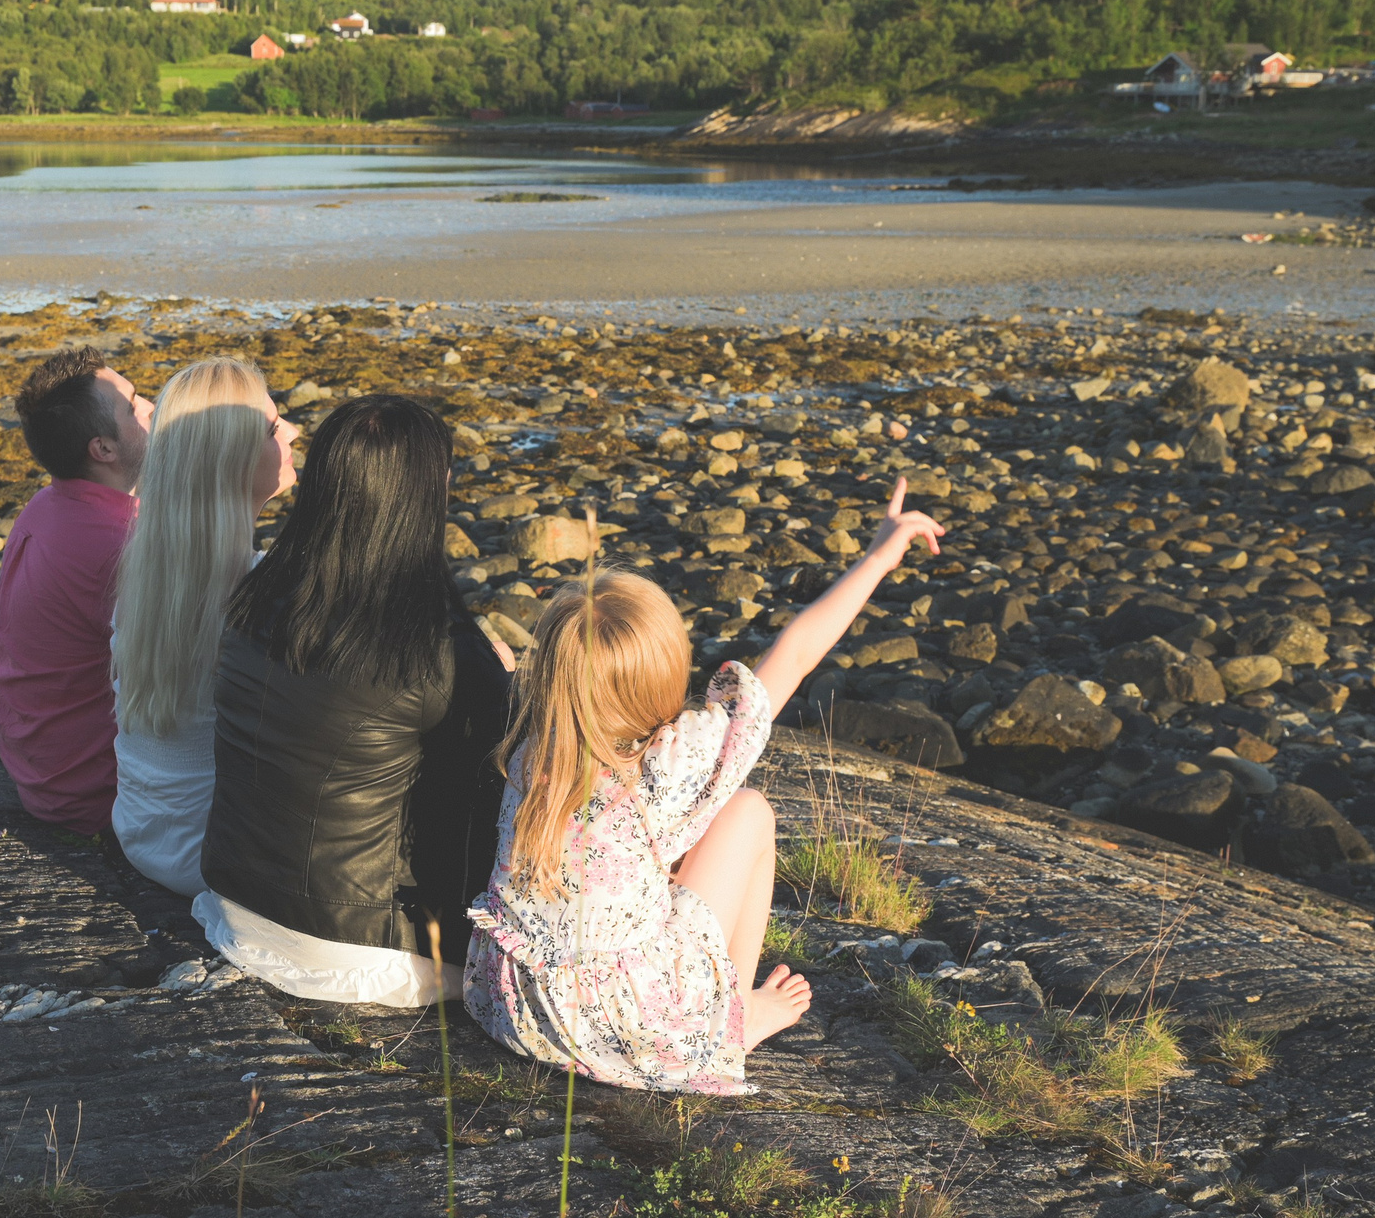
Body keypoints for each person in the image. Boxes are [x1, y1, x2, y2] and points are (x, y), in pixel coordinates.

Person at [466, 477, 948, 1095]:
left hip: (520, 1008)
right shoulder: (671, 763)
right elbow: (794, 654)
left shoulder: (537, 743)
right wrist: (881, 554)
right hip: (631, 1026)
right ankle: (729, 1021)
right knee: (748, 812)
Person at [197, 396, 513, 1008]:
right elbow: (491, 792)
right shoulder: (435, 649)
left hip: (236, 905)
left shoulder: (257, 598)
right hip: (358, 945)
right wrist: (503, 689)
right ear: (425, 495)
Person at [110, 358, 300, 895]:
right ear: (232, 460)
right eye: (271, 428)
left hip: (143, 835)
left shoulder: (146, 573)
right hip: (217, 858)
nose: (290, 434)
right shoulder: (263, 590)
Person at [0, 347, 153, 834]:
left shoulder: (48, 503)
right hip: (97, 794)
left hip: (45, 776)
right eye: (135, 405)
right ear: (102, 449)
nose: (152, 410)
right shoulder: (117, 543)